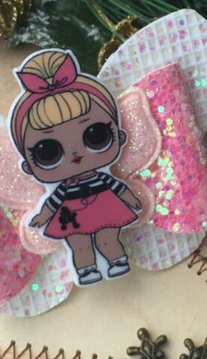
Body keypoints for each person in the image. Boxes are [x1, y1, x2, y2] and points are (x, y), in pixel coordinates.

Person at [9, 49, 141, 286]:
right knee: (79, 245)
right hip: (70, 215)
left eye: (96, 135)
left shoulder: (103, 179)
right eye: (48, 152)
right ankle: (86, 270)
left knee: (107, 238)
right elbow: (53, 201)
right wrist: (41, 216)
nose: (76, 155)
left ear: (120, 136)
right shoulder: (62, 189)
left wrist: (132, 200)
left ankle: (117, 260)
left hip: (105, 207)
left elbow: (118, 187)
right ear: (28, 166)